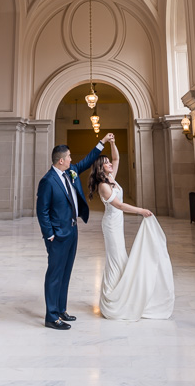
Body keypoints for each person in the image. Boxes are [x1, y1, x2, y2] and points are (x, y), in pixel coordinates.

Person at [88, 137, 175, 321]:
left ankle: (123, 295)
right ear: (100, 168)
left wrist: (112, 143)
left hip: (117, 224)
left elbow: (117, 159)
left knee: (121, 258)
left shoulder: (110, 178)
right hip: (111, 226)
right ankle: (112, 301)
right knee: (116, 259)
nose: (110, 164)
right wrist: (141, 211)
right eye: (106, 164)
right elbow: (119, 206)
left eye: (108, 162)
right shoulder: (103, 186)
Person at [36, 132, 115, 330]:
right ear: (61, 160)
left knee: (66, 272)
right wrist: (50, 235)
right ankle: (51, 316)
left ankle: (61, 309)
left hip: (72, 231)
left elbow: (87, 161)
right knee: (55, 274)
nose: (72, 160)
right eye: (69, 157)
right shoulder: (48, 181)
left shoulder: (69, 171)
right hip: (58, 236)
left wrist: (102, 142)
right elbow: (42, 210)